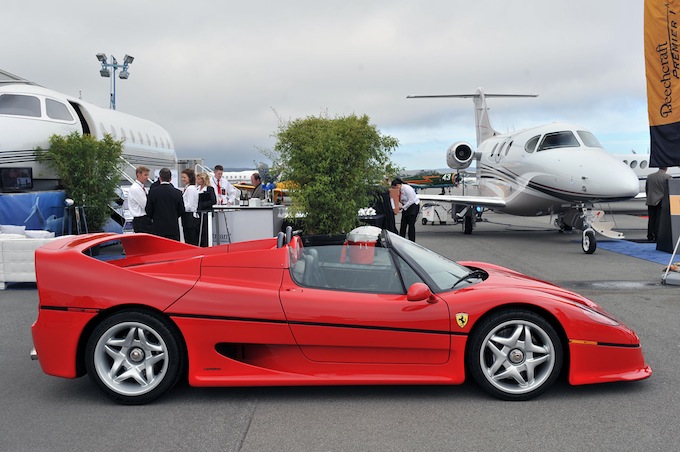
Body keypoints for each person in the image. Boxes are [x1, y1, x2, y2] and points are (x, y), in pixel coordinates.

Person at [145, 167, 185, 241]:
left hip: (158, 227)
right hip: (173, 227)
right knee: (173, 249)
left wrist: (154, 217)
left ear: (160, 178)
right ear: (170, 179)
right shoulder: (177, 193)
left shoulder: (153, 192)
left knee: (159, 250)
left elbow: (148, 210)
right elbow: (181, 210)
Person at [645, 166, 671, 242]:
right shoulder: (668, 177)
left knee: (651, 219)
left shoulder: (650, 176)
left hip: (651, 200)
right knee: (659, 220)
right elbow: (669, 189)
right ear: (666, 169)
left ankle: (650, 235)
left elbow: (647, 188)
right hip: (661, 200)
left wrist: (648, 197)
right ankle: (657, 235)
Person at [128, 165, 152, 233]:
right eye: (145, 175)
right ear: (138, 174)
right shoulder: (136, 188)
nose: (147, 177)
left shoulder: (142, 187)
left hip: (144, 219)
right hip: (141, 220)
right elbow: (145, 205)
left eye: (148, 175)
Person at [196, 172, 217, 247]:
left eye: (199, 179)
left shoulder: (209, 189)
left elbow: (214, 200)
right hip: (199, 213)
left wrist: (203, 204)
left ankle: (207, 245)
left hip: (207, 213)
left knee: (206, 231)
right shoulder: (197, 189)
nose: (197, 181)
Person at [180, 168, 199, 245]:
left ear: (190, 178)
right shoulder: (188, 188)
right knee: (188, 237)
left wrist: (181, 208)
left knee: (190, 238)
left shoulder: (191, 188)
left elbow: (190, 205)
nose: (182, 179)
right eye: (182, 177)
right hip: (187, 216)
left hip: (190, 216)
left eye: (184, 177)